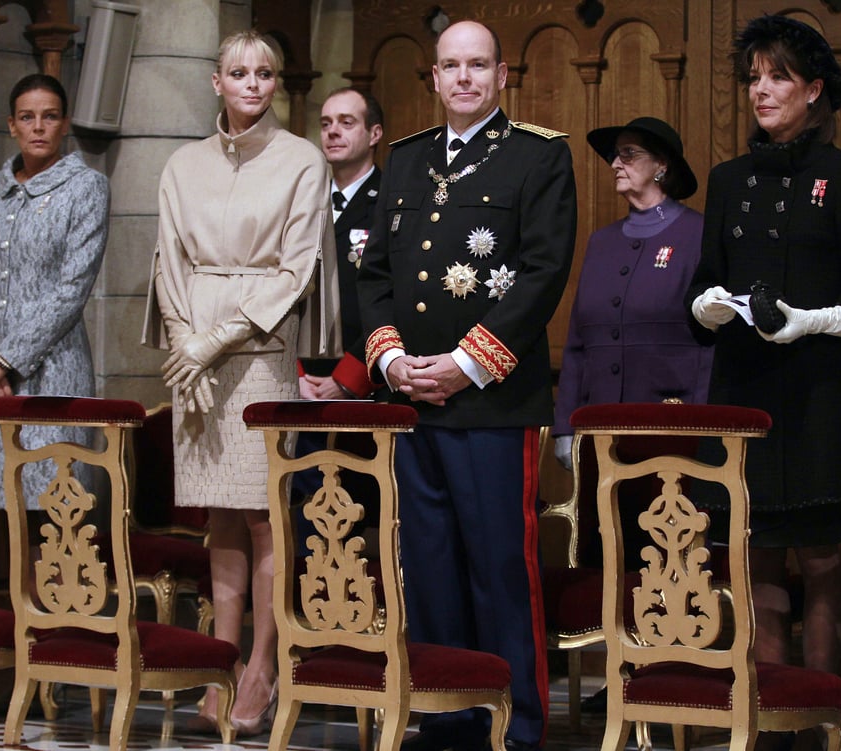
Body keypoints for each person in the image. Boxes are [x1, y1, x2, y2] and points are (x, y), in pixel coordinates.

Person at [357, 20, 577, 751]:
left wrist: (465, 362)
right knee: (429, 566)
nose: (463, 79)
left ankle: (515, 724)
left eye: (477, 66)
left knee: (497, 567)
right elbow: (378, 277)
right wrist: (392, 363)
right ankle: (447, 715)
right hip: (413, 402)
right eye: (450, 66)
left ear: (502, 75)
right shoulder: (408, 160)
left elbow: (543, 273)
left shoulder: (537, 158)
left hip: (490, 401)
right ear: (434, 77)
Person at [142, 30, 340, 735]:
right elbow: (167, 259)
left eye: (264, 73)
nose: (252, 84)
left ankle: (264, 662)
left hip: (260, 346)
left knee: (261, 511)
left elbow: (297, 269)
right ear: (215, 81)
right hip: (193, 349)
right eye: (238, 72)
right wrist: (183, 342)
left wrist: (217, 339)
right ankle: (222, 659)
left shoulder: (301, 160)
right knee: (216, 510)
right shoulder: (181, 164)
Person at [688, 14, 841, 686]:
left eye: (778, 76)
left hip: (818, 395)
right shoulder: (727, 179)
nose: (760, 90)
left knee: (823, 559)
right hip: (745, 392)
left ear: (813, 91)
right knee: (758, 557)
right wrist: (709, 306)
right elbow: (700, 288)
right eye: (754, 77)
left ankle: (822, 723)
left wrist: (808, 321)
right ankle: (772, 725)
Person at [0, 73, 109, 511]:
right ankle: (19, 586)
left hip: (54, 376)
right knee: (6, 508)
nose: (38, 127)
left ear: (64, 124)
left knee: (55, 511)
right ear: (12, 125)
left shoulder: (87, 188)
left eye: (50, 116)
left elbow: (72, 289)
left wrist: (5, 360)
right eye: (28, 117)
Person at [553, 116, 711, 468]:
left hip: (672, 427)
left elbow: (711, 344)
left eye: (628, 154)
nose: (614, 164)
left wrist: (704, 421)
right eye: (614, 155)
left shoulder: (698, 234)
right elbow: (578, 342)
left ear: (661, 165)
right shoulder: (601, 242)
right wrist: (564, 426)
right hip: (600, 427)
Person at [299, 86, 383, 400]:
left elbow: (398, 298)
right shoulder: (303, 200)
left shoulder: (392, 203)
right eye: (325, 123)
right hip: (302, 377)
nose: (333, 131)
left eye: (346, 123)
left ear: (374, 134)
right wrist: (294, 372)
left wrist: (351, 377)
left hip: (364, 380)